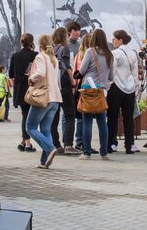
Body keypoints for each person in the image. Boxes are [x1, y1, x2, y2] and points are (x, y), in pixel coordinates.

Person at [25, 34, 64, 168]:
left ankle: (50, 148)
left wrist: (31, 78)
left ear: (40, 44)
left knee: (30, 127)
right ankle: (44, 161)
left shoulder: (40, 56)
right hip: (55, 98)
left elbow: (40, 73)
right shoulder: (54, 58)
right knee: (46, 129)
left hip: (43, 97)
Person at [76, 28, 113, 160]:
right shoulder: (109, 54)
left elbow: (82, 70)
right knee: (102, 122)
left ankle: (86, 153)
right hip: (102, 91)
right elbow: (111, 76)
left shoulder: (90, 52)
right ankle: (104, 153)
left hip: (88, 90)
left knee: (87, 122)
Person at [107, 29, 140, 154]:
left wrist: (108, 84)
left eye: (114, 39)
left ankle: (111, 143)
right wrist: (135, 87)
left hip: (116, 87)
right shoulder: (133, 53)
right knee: (128, 118)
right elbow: (135, 72)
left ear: (120, 40)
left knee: (112, 117)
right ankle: (129, 145)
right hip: (130, 88)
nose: (113, 42)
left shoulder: (115, 53)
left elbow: (112, 71)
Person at [8, 34, 38, 152]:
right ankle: (27, 142)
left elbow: (11, 75)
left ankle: (23, 142)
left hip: (19, 90)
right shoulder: (35, 55)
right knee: (27, 116)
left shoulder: (15, 56)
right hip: (31, 89)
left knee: (25, 114)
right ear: (32, 42)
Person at [52, 27, 80, 154]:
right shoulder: (64, 49)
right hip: (64, 84)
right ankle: (68, 145)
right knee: (70, 114)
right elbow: (67, 67)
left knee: (54, 115)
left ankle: (55, 144)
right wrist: (73, 83)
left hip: (54, 85)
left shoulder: (51, 49)